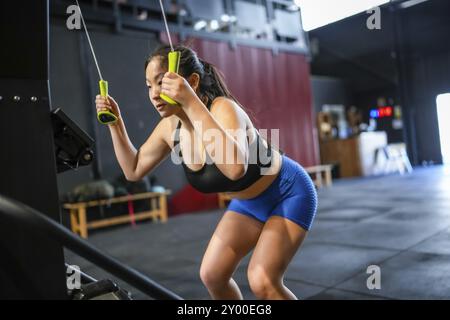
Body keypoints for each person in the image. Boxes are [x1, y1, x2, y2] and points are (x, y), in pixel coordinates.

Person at [95, 45, 317, 300]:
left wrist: (190, 101)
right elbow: (133, 170)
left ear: (192, 81)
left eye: (162, 83)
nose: (154, 94)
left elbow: (235, 168)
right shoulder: (170, 127)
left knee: (262, 279)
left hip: (287, 191)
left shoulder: (223, 109)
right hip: (249, 204)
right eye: (149, 86)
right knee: (212, 275)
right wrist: (116, 124)